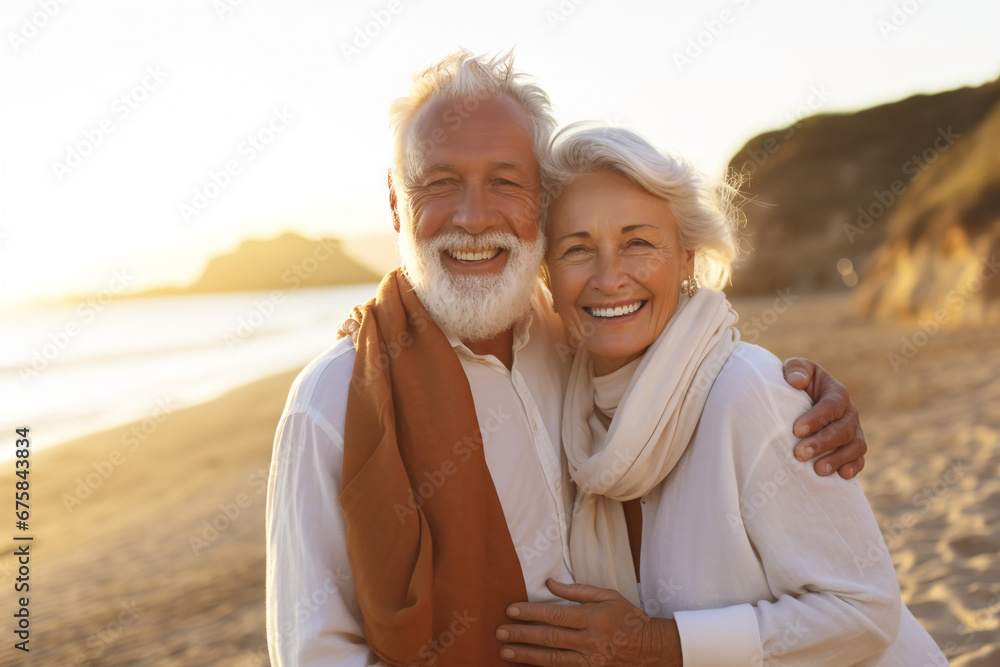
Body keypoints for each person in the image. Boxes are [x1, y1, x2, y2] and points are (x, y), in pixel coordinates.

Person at [265, 49, 869, 666]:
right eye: (440, 182)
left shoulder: (575, 340)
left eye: (504, 181)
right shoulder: (331, 404)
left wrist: (800, 398)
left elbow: (707, 370)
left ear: (539, 206)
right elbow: (316, 654)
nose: (474, 218)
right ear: (396, 200)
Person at [494, 124, 945, 665]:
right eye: (576, 249)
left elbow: (866, 611)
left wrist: (653, 644)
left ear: (687, 259)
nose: (609, 277)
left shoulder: (750, 393)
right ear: (546, 273)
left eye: (638, 242)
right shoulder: (573, 413)